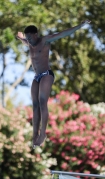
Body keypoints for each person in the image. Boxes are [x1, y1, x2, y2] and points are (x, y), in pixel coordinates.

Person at [17, 20, 91, 148]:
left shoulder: (45, 40)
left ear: (36, 34)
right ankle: (35, 134)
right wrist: (21, 37)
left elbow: (63, 33)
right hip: (37, 77)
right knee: (34, 105)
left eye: (30, 37)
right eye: (27, 38)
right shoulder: (29, 43)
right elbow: (23, 40)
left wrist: (80, 26)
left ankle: (43, 133)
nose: (28, 40)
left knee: (42, 101)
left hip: (46, 74)